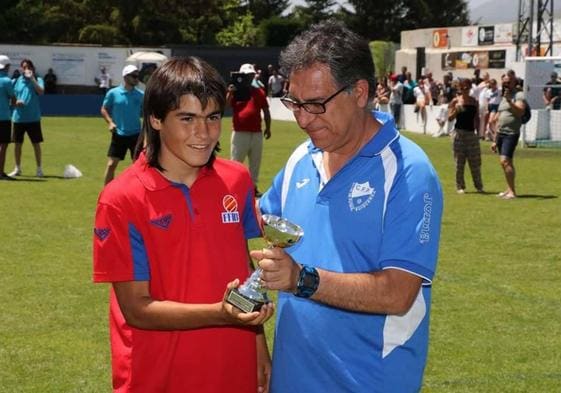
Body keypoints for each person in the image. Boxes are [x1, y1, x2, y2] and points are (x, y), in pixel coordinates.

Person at [253, 20, 443, 393]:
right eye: (294, 103)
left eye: (316, 104)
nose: (303, 119)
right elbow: (252, 220)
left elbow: (398, 293)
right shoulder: (300, 160)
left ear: (359, 92)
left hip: (371, 382)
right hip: (291, 380)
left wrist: (301, 279)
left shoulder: (408, 172)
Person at [92, 57, 273, 392]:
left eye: (213, 117)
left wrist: (257, 340)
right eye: (187, 118)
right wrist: (222, 313)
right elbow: (137, 310)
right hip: (156, 374)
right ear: (156, 119)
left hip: (232, 365)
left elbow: (242, 265)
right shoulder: (120, 199)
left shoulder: (237, 179)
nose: (203, 133)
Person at [227, 63, 271, 197]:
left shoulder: (258, 92)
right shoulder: (235, 92)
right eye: (247, 75)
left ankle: (253, 188)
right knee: (236, 162)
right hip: (240, 132)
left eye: (251, 75)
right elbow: (226, 105)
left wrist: (268, 127)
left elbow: (265, 110)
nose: (249, 77)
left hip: (256, 132)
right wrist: (230, 92)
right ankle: (233, 187)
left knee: (255, 163)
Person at [100, 64, 143, 185]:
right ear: (125, 77)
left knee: (139, 166)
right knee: (111, 164)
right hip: (119, 134)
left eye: (137, 76)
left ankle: (139, 192)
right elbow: (104, 109)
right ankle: (107, 193)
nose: (136, 78)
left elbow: (149, 111)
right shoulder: (113, 93)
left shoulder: (140, 95)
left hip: (136, 135)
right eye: (134, 76)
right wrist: (110, 122)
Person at [8, 59, 45, 177]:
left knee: (36, 144)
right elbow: (10, 99)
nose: (26, 69)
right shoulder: (16, 81)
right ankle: (17, 168)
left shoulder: (38, 80)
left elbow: (41, 92)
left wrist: (32, 79)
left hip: (33, 118)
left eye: (28, 67)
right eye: (24, 67)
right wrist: (16, 102)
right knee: (17, 144)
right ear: (21, 69)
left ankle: (39, 169)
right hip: (18, 118)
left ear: (32, 68)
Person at [492, 71, 526, 200]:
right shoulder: (503, 96)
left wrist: (509, 101)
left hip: (511, 133)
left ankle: (512, 192)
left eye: (508, 82)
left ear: (514, 82)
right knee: (506, 163)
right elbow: (500, 118)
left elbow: (520, 112)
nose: (506, 84)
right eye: (504, 82)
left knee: (505, 161)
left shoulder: (519, 95)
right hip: (501, 133)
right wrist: (495, 139)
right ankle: (509, 189)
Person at [447, 78, 484, 194]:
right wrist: (456, 111)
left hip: (471, 134)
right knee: (459, 162)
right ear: (459, 88)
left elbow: (476, 118)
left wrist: (479, 133)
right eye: (462, 87)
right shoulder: (455, 101)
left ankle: (479, 186)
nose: (465, 90)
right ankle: (460, 186)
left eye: (467, 87)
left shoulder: (474, 101)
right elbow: (449, 118)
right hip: (459, 133)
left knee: (475, 162)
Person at [0, 55, 14, 179]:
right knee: (3, 146)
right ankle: (0, 173)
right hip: (3, 118)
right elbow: (13, 98)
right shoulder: (7, 81)